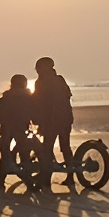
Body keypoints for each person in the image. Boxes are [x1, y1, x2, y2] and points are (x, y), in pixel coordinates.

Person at [0, 74, 43, 182]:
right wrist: (38, 122)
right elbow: (35, 112)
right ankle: (26, 173)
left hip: (7, 126)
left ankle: (1, 179)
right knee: (24, 150)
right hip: (22, 126)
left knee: (5, 151)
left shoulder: (8, 96)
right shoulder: (29, 98)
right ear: (25, 84)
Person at [33, 56, 75, 188]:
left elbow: (40, 102)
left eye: (38, 67)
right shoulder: (59, 80)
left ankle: (46, 177)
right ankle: (70, 176)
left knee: (48, 148)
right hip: (65, 117)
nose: (37, 70)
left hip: (53, 119)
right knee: (65, 147)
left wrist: (39, 120)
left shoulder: (42, 82)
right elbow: (67, 97)